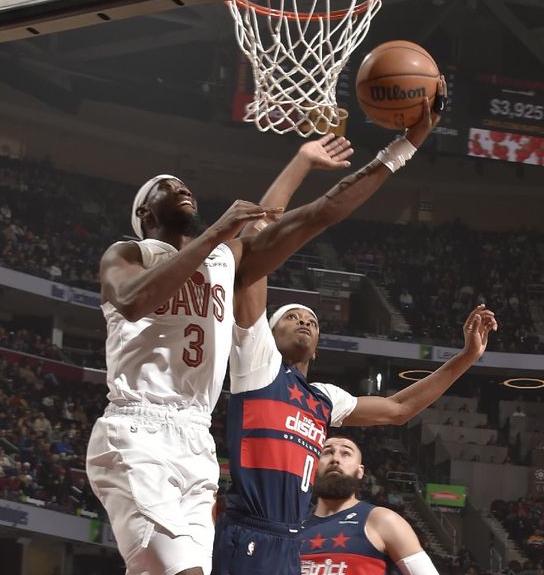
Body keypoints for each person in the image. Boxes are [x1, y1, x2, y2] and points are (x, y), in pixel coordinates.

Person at [87, 92, 442, 575]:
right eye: (166, 186)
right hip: (135, 430)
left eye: (183, 182)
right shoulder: (129, 254)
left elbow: (315, 213)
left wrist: (405, 145)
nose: (181, 186)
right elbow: (133, 301)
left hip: (195, 440)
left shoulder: (223, 260)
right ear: (145, 213)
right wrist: (217, 234)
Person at [212, 75, 496, 575]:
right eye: (291, 316)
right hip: (251, 533)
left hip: (290, 539)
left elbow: (399, 408)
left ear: (318, 347)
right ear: (266, 335)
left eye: (311, 320)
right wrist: (301, 162)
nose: (303, 320)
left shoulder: (323, 400)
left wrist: (467, 356)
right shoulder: (256, 365)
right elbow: (259, 237)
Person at [299, 436, 438, 575]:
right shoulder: (294, 526)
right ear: (314, 466)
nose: (335, 459)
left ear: (360, 471)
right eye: (327, 452)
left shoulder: (383, 520)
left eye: (346, 453)